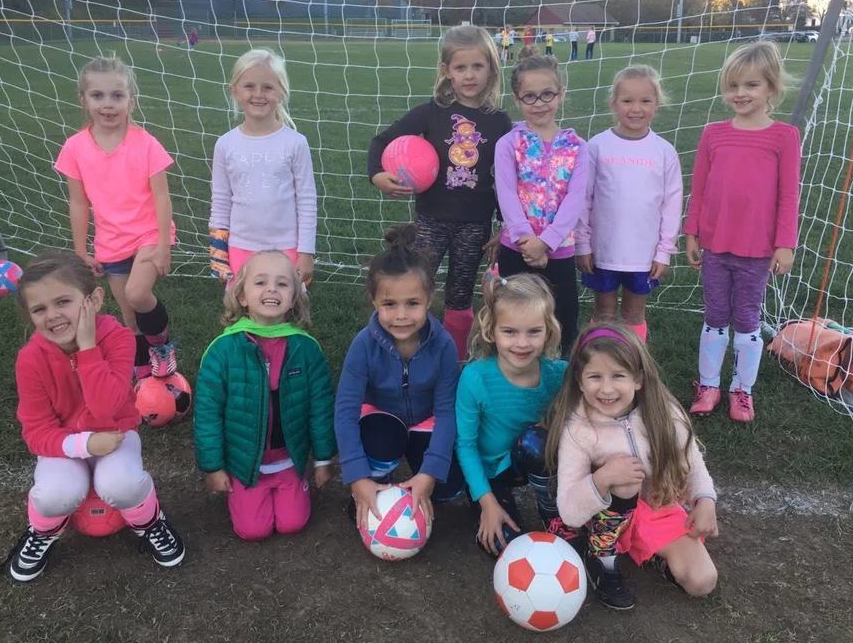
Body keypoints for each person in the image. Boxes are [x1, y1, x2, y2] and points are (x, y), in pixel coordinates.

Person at [6, 252, 185, 582]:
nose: (53, 316)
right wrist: (85, 443)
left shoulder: (116, 338)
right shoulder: (30, 359)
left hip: (116, 434)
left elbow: (106, 408)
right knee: (55, 495)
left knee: (122, 484)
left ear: (94, 299)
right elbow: (36, 433)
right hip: (64, 445)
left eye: (63, 301)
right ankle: (43, 531)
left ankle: (149, 522)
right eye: (40, 309)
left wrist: (88, 348)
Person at [546, 322, 718, 610]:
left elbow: (691, 459)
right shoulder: (578, 429)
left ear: (638, 378)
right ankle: (601, 556)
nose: (607, 388)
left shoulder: (663, 410)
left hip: (654, 510)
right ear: (579, 379)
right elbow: (568, 511)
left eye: (618, 376)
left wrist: (705, 499)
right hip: (600, 515)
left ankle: (649, 552)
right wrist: (602, 478)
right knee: (625, 473)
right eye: (595, 377)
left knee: (702, 582)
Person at [367, 25, 512, 361]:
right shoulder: (429, 112)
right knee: (414, 287)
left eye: (478, 66)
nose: (470, 75)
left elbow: (507, 178)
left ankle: (454, 360)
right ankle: (406, 352)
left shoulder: (499, 121)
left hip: (475, 224)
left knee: (460, 295)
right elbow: (381, 141)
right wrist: (378, 176)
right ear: (446, 71)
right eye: (461, 68)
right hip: (431, 220)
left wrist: (504, 226)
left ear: (491, 67)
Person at [684, 41, 800, 422]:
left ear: (771, 88)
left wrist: (785, 244)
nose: (740, 94)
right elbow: (699, 187)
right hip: (716, 245)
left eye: (750, 85)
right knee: (715, 315)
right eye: (733, 85)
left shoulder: (784, 136)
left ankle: (741, 390)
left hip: (757, 249)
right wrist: (692, 233)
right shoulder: (714, 133)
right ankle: (708, 385)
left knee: (747, 319)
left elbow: (788, 195)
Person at [195, 250, 336, 541]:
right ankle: (244, 491)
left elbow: (321, 408)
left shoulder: (306, 349)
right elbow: (208, 414)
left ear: (295, 297)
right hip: (246, 466)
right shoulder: (222, 351)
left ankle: (294, 486)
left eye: (283, 284)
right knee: (252, 530)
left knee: (292, 524)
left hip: (289, 461)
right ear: (242, 296)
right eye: (260, 282)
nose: (272, 289)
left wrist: (323, 459)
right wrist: (213, 466)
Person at [334, 224, 464, 530]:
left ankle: (420, 472)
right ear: (373, 301)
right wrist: (356, 476)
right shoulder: (363, 345)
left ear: (429, 299)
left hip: (425, 420)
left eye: (412, 304)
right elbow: (345, 412)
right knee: (381, 443)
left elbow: (446, 412)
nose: (402, 315)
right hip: (381, 418)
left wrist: (430, 472)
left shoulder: (443, 345)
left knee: (449, 487)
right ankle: (376, 485)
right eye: (390, 304)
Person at [54, 56, 177, 380]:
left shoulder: (146, 144)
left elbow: (162, 196)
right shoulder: (75, 148)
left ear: (131, 101)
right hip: (111, 241)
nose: (108, 104)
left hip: (148, 233)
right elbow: (78, 204)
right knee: (128, 312)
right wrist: (81, 252)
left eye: (117, 96)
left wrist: (163, 244)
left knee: (138, 294)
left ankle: (162, 347)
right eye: (98, 96)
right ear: (83, 100)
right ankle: (143, 366)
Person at [456, 273, 573, 556]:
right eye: (510, 332)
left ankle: (552, 512)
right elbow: (465, 444)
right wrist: (487, 503)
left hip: (536, 459)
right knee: (505, 545)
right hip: (492, 470)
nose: (522, 343)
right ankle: (495, 503)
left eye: (534, 331)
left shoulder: (560, 375)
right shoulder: (475, 378)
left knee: (538, 440)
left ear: (549, 330)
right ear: (491, 330)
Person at [575, 65, 682, 343]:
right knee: (604, 313)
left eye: (645, 101)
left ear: (657, 104)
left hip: (643, 256)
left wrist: (664, 252)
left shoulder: (664, 152)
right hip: (603, 251)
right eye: (627, 101)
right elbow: (583, 200)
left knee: (634, 315)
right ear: (614, 104)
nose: (636, 108)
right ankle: (598, 362)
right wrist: (582, 245)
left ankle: (633, 365)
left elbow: (672, 204)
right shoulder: (597, 146)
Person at [495, 54, 586, 355]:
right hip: (515, 249)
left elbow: (576, 198)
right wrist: (526, 239)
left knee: (563, 321)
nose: (539, 103)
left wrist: (546, 242)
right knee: (513, 319)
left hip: (559, 251)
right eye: (530, 96)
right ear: (517, 99)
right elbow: (506, 193)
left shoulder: (577, 147)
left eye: (547, 94)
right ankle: (511, 379)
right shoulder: (509, 143)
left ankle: (561, 384)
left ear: (561, 93)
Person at [209, 49, 316, 285]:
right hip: (240, 246)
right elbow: (220, 200)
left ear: (282, 92)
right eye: (249, 86)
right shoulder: (225, 144)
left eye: (268, 87)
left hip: (286, 247)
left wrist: (306, 252)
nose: (258, 95)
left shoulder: (296, 143)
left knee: (284, 308)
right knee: (243, 308)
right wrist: (218, 251)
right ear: (234, 91)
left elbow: (307, 200)